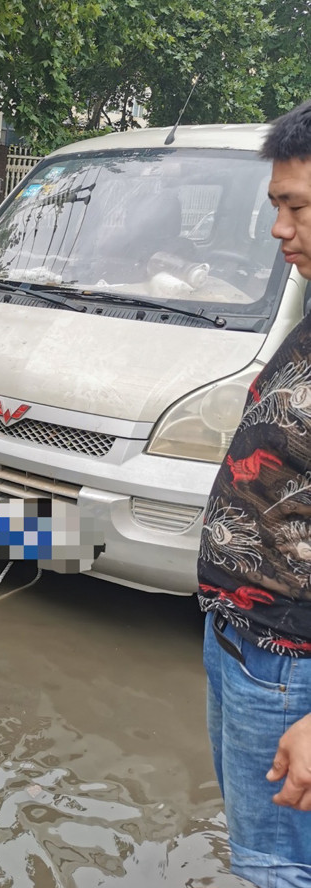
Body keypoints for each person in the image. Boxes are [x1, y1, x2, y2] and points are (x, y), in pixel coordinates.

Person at [199, 98, 311, 887]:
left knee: (279, 872)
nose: (278, 229)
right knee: (258, 857)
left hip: (291, 674)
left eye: (295, 206)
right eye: (276, 206)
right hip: (245, 647)